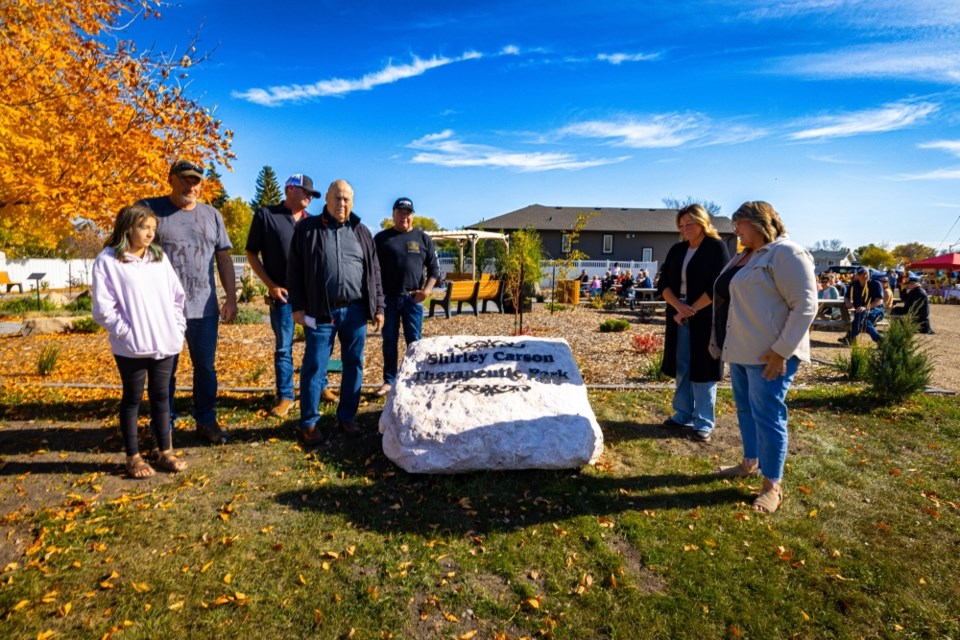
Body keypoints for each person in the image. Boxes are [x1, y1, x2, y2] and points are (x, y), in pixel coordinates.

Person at [710, 201, 817, 514]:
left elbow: (806, 306)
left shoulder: (787, 253)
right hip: (741, 350)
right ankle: (749, 462)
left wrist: (781, 350)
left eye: (739, 224)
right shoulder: (747, 256)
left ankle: (772, 485)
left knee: (769, 417)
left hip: (771, 355)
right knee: (746, 411)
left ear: (757, 223)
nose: (736, 231)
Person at [139, 160, 236, 445]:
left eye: (195, 181)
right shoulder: (150, 210)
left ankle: (205, 420)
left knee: (205, 367)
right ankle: (163, 424)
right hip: (163, 308)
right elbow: (131, 251)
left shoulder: (212, 215)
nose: (190, 186)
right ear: (171, 179)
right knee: (163, 369)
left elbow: (224, 258)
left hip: (203, 307)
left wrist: (230, 298)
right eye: (185, 179)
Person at [92, 204, 187, 478]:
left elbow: (177, 297)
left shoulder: (158, 258)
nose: (149, 234)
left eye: (152, 229)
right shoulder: (108, 261)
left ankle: (164, 451)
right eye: (143, 227)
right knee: (132, 399)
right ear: (127, 227)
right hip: (131, 348)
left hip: (165, 343)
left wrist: (176, 329)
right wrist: (127, 334)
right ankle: (132, 456)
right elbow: (103, 309)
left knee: (162, 397)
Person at [287, 179, 384, 442]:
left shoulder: (362, 231)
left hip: (355, 312)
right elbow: (294, 270)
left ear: (352, 202)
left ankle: (347, 417)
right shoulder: (308, 229)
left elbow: (373, 271)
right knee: (314, 365)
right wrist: (297, 306)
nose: (342, 203)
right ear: (327, 200)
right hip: (320, 312)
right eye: (337, 198)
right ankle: (309, 422)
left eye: (347, 199)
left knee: (354, 364)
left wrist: (378, 307)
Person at [246, 174, 339, 418]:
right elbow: (251, 253)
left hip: (313, 298)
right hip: (284, 297)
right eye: (305, 191)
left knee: (319, 344)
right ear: (289, 189)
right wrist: (271, 285)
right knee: (283, 348)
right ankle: (286, 396)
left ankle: (321, 387)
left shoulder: (313, 222)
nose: (309, 196)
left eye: (312, 194)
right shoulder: (267, 216)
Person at [657, 204, 730, 442]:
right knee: (682, 366)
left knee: (705, 368)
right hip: (678, 314)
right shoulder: (677, 250)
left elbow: (718, 286)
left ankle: (704, 421)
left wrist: (690, 310)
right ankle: (683, 414)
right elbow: (664, 285)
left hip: (705, 316)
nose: (685, 229)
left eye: (689, 224)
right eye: (681, 225)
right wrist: (679, 308)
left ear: (702, 223)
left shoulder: (716, 248)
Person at [373, 197, 441, 397]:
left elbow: (435, 269)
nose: (404, 216)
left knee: (415, 342)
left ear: (413, 216)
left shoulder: (423, 238)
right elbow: (372, 270)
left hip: (413, 300)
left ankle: (416, 377)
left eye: (408, 213)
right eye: (400, 212)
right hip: (389, 299)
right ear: (393, 214)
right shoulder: (381, 239)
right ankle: (389, 381)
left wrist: (426, 291)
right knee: (389, 341)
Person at [841, 266, 884, 345]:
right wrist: (848, 302)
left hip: (876, 309)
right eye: (861, 274)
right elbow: (846, 297)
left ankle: (850, 337)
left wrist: (865, 307)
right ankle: (882, 341)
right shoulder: (853, 285)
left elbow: (879, 301)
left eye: (866, 273)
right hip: (860, 311)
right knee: (864, 321)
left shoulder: (876, 284)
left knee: (863, 320)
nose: (864, 276)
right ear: (856, 275)